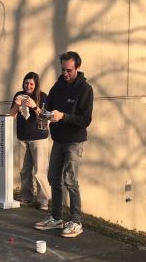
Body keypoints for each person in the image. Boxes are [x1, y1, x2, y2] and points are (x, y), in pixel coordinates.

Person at [34, 50, 93, 238]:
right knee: (53, 178)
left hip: (74, 141)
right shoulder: (57, 86)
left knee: (70, 180)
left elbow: (85, 120)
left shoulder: (85, 89)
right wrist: (43, 115)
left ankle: (76, 221)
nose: (65, 74)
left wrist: (63, 116)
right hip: (58, 139)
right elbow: (49, 108)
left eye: (69, 70)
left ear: (77, 67)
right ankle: (56, 217)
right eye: (63, 70)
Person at [9, 72, 51, 211]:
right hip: (23, 138)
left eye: (31, 84)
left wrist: (34, 106)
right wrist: (16, 105)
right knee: (24, 170)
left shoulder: (42, 96)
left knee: (40, 171)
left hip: (39, 139)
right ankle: (26, 197)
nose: (28, 86)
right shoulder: (19, 95)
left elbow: (45, 117)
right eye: (26, 83)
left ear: (36, 85)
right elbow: (11, 116)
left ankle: (43, 200)